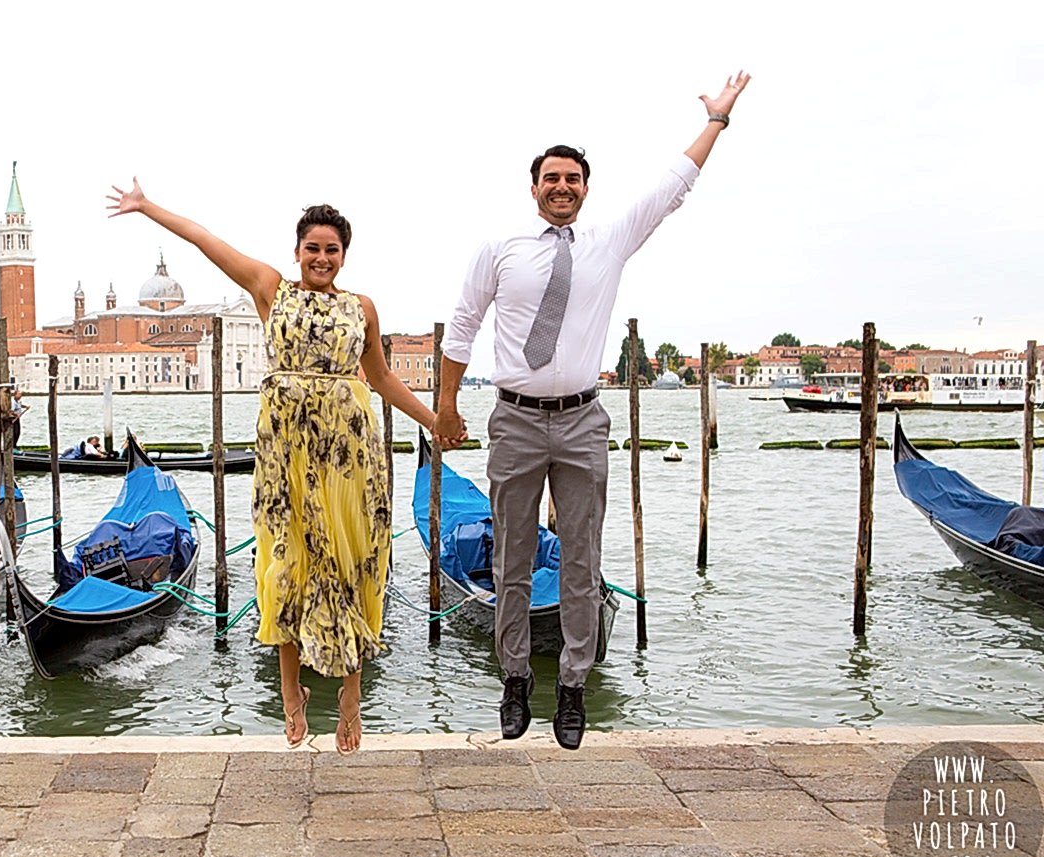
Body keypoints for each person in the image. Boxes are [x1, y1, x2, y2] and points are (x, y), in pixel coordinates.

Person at [434, 72, 751, 751]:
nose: (563, 186)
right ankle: (514, 679)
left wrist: (716, 121)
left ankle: (574, 686)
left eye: (573, 178)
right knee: (511, 560)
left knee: (581, 561)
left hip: (582, 421)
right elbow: (461, 328)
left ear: (585, 187)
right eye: (552, 177)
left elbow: (673, 187)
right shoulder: (500, 248)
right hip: (514, 418)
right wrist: (446, 406)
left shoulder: (610, 240)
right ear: (533, 187)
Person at [108, 180, 446, 753]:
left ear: (344, 255)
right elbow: (205, 242)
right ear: (297, 252)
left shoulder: (360, 307)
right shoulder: (270, 289)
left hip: (348, 456)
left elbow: (384, 379)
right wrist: (147, 208)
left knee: (352, 564)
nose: (321, 258)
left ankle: (349, 698)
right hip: (286, 454)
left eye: (332, 250)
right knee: (286, 567)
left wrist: (435, 421)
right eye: (312, 248)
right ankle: (293, 694)